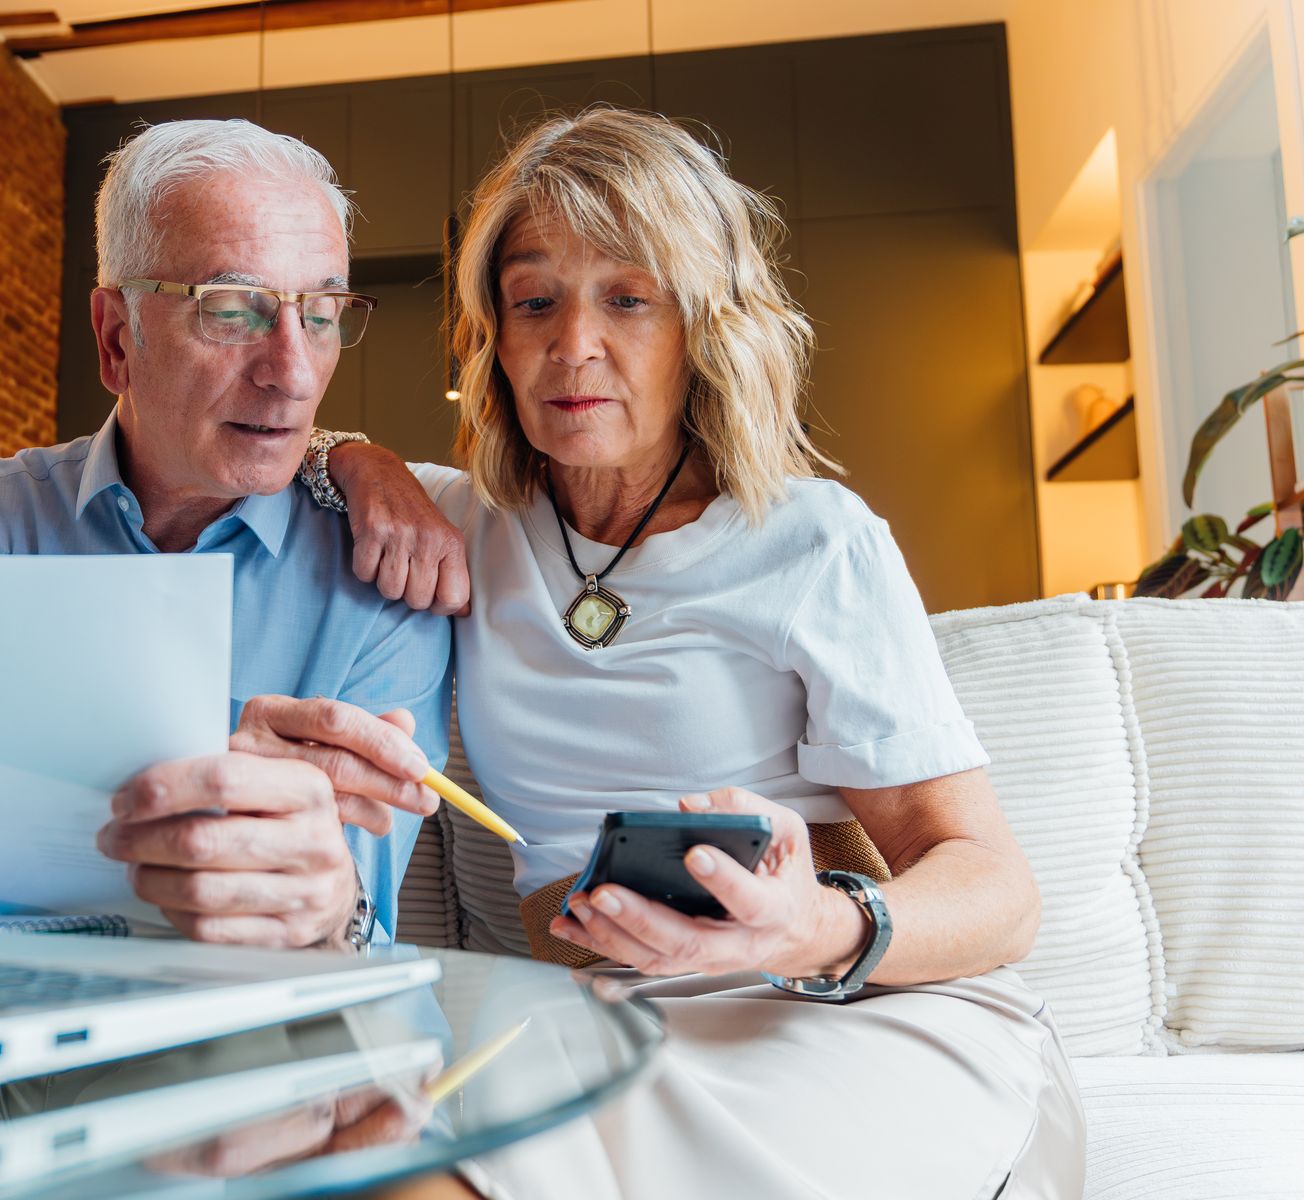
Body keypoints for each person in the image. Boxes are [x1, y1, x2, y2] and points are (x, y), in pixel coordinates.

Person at [309, 107, 1086, 1197]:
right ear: (495, 333)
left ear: (704, 328)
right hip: (601, 1016)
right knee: (373, 1170)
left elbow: (999, 892)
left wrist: (811, 924)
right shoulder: (461, 527)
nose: (573, 345)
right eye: (534, 300)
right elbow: (256, 443)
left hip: (834, 1016)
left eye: (629, 298)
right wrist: (355, 458)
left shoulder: (813, 542)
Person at [0, 118, 452, 949]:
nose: (295, 374)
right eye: (232, 311)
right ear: (118, 339)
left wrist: (331, 907)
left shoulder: (384, 577)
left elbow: (355, 931)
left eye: (325, 313)